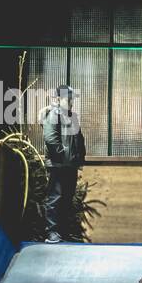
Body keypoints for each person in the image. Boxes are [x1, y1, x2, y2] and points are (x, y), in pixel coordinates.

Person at [39, 85, 86, 243]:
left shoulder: (72, 117)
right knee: (55, 198)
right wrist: (63, 158)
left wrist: (78, 159)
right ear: (59, 99)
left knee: (66, 199)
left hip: (69, 165)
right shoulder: (53, 115)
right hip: (58, 165)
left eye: (72, 98)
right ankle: (52, 232)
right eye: (68, 99)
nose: (71, 102)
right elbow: (51, 139)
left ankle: (63, 232)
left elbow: (79, 139)